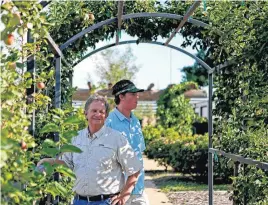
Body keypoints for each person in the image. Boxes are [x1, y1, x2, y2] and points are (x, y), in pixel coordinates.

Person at [37, 95, 142, 205]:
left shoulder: (117, 139)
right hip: (79, 201)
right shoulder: (75, 138)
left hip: (106, 202)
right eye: (94, 111)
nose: (98, 114)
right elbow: (67, 163)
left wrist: (124, 196)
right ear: (86, 114)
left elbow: (134, 169)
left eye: (101, 112)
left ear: (106, 116)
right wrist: (50, 162)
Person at [105, 80, 148, 205]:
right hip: (118, 191)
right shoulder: (109, 122)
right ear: (121, 96)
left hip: (138, 187)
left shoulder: (135, 122)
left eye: (137, 94)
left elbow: (139, 153)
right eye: (133, 94)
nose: (137, 97)